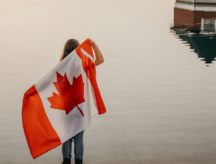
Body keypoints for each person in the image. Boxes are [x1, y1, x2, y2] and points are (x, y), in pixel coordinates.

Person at [60, 38, 104, 164]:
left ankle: (66, 161)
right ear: (78, 49)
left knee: (67, 137)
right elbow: (100, 60)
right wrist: (94, 45)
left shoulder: (61, 66)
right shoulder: (83, 64)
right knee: (79, 138)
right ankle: (79, 161)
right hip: (80, 107)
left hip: (66, 108)